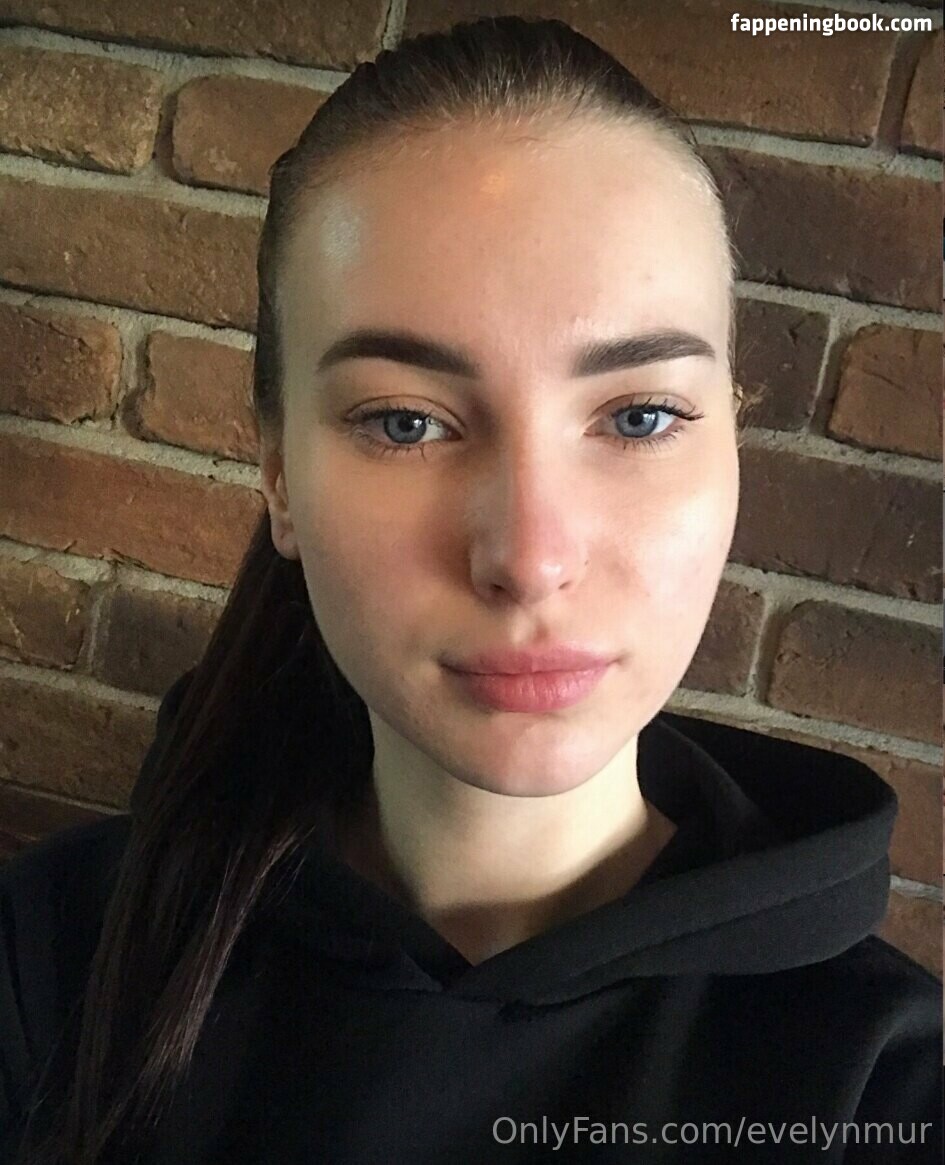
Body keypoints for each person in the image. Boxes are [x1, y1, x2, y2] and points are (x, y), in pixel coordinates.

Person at [1, 15, 941, 1165]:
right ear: (278, 474)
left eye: (640, 416)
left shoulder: (882, 1080)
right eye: (406, 422)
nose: (531, 556)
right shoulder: (54, 958)